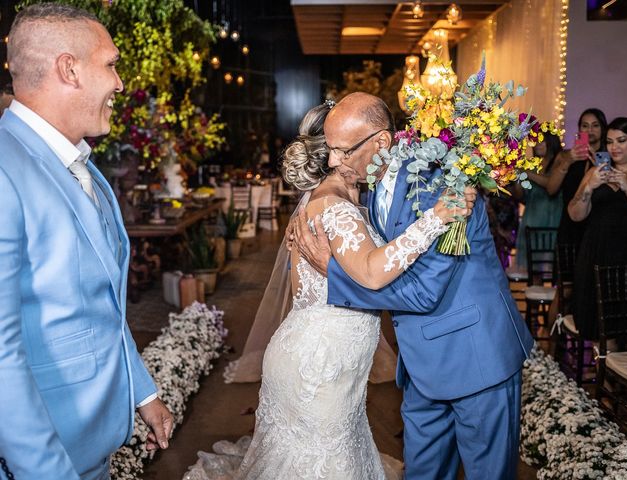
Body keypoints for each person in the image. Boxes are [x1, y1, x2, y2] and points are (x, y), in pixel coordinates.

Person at [184, 102, 473, 480]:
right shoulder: (334, 208)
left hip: (323, 358)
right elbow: (371, 272)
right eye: (338, 148)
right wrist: (437, 217)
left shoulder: (339, 202)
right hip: (319, 367)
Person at [293, 93, 534, 480]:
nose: (334, 163)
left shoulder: (448, 188)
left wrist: (332, 273)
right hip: (420, 365)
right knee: (421, 473)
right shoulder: (368, 186)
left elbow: (423, 292)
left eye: (342, 151)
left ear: (382, 142)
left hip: (476, 360)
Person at [0, 4, 172, 479]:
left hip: (90, 441)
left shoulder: (81, 164)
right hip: (45, 457)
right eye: (111, 64)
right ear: (68, 69)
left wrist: (143, 394)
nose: (120, 83)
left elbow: (102, 307)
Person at [568, 117, 627, 340]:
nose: (614, 147)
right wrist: (590, 187)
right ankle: (601, 375)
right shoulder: (594, 173)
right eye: (609, 142)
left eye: (621, 140)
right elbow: (575, 214)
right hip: (598, 258)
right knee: (603, 334)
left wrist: (626, 186)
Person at [546, 108, 608, 250]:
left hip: (595, 224)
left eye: (595, 125)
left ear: (603, 128)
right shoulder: (567, 156)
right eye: (585, 126)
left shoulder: (606, 156)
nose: (590, 130)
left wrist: (597, 159)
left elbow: (609, 184)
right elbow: (551, 189)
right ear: (579, 129)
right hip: (569, 223)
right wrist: (568, 161)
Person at [513, 131, 564, 268]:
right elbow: (520, 197)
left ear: (551, 142)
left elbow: (550, 185)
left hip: (551, 218)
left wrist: (527, 174)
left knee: (551, 268)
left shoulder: (558, 162)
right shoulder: (531, 165)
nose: (537, 144)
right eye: (534, 141)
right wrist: (517, 178)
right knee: (532, 269)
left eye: (541, 141)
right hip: (531, 218)